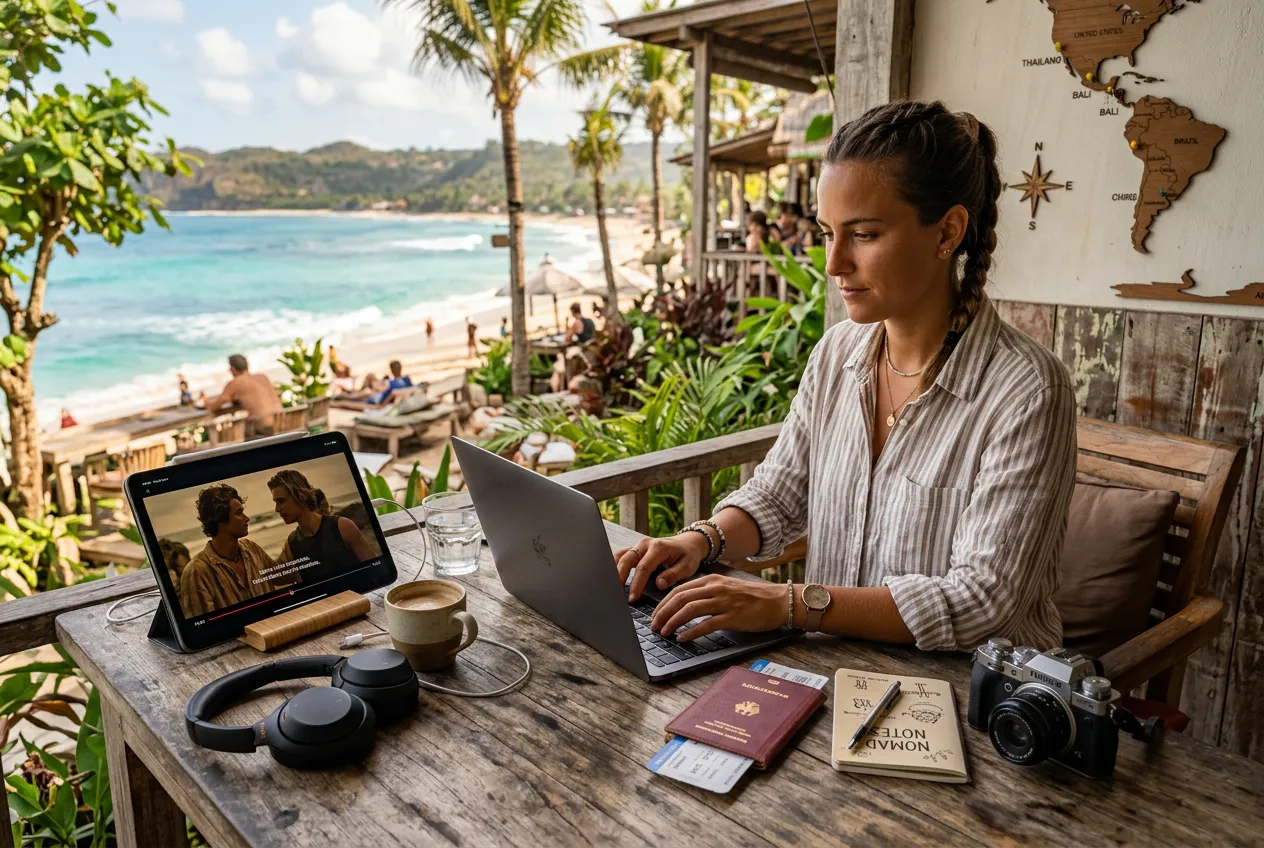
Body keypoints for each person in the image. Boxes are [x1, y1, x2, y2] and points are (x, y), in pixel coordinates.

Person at [617, 101, 1076, 654]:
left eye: (863, 234)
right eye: (827, 233)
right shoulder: (837, 354)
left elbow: (981, 600)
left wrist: (787, 604)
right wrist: (699, 541)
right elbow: (780, 492)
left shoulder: (1027, 391)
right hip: (834, 666)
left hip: (965, 689)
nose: (833, 263)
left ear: (947, 232)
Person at [178, 484, 298, 618]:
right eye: (239, 513)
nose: (247, 518)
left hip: (273, 626)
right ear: (220, 519)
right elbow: (203, 626)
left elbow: (280, 576)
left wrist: (297, 538)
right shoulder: (197, 571)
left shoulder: (250, 548)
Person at [269, 470, 377, 579]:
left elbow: (375, 568)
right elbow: (280, 577)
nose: (277, 509)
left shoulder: (342, 526)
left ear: (300, 496)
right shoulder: (292, 543)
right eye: (276, 502)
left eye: (281, 501)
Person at [202, 354, 284, 438]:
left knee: (245, 429)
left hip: (264, 431)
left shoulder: (235, 383)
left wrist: (204, 400)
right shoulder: (263, 377)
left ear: (233, 369)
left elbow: (214, 407)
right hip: (283, 424)